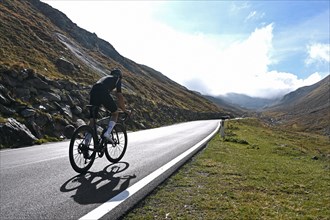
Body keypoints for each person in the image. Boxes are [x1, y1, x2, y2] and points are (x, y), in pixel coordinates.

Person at [85, 69, 128, 144]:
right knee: (115, 113)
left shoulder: (106, 78)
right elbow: (119, 96)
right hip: (103, 92)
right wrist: (124, 110)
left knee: (92, 120)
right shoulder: (117, 79)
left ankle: (86, 143)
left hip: (93, 91)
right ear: (120, 76)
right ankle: (107, 134)